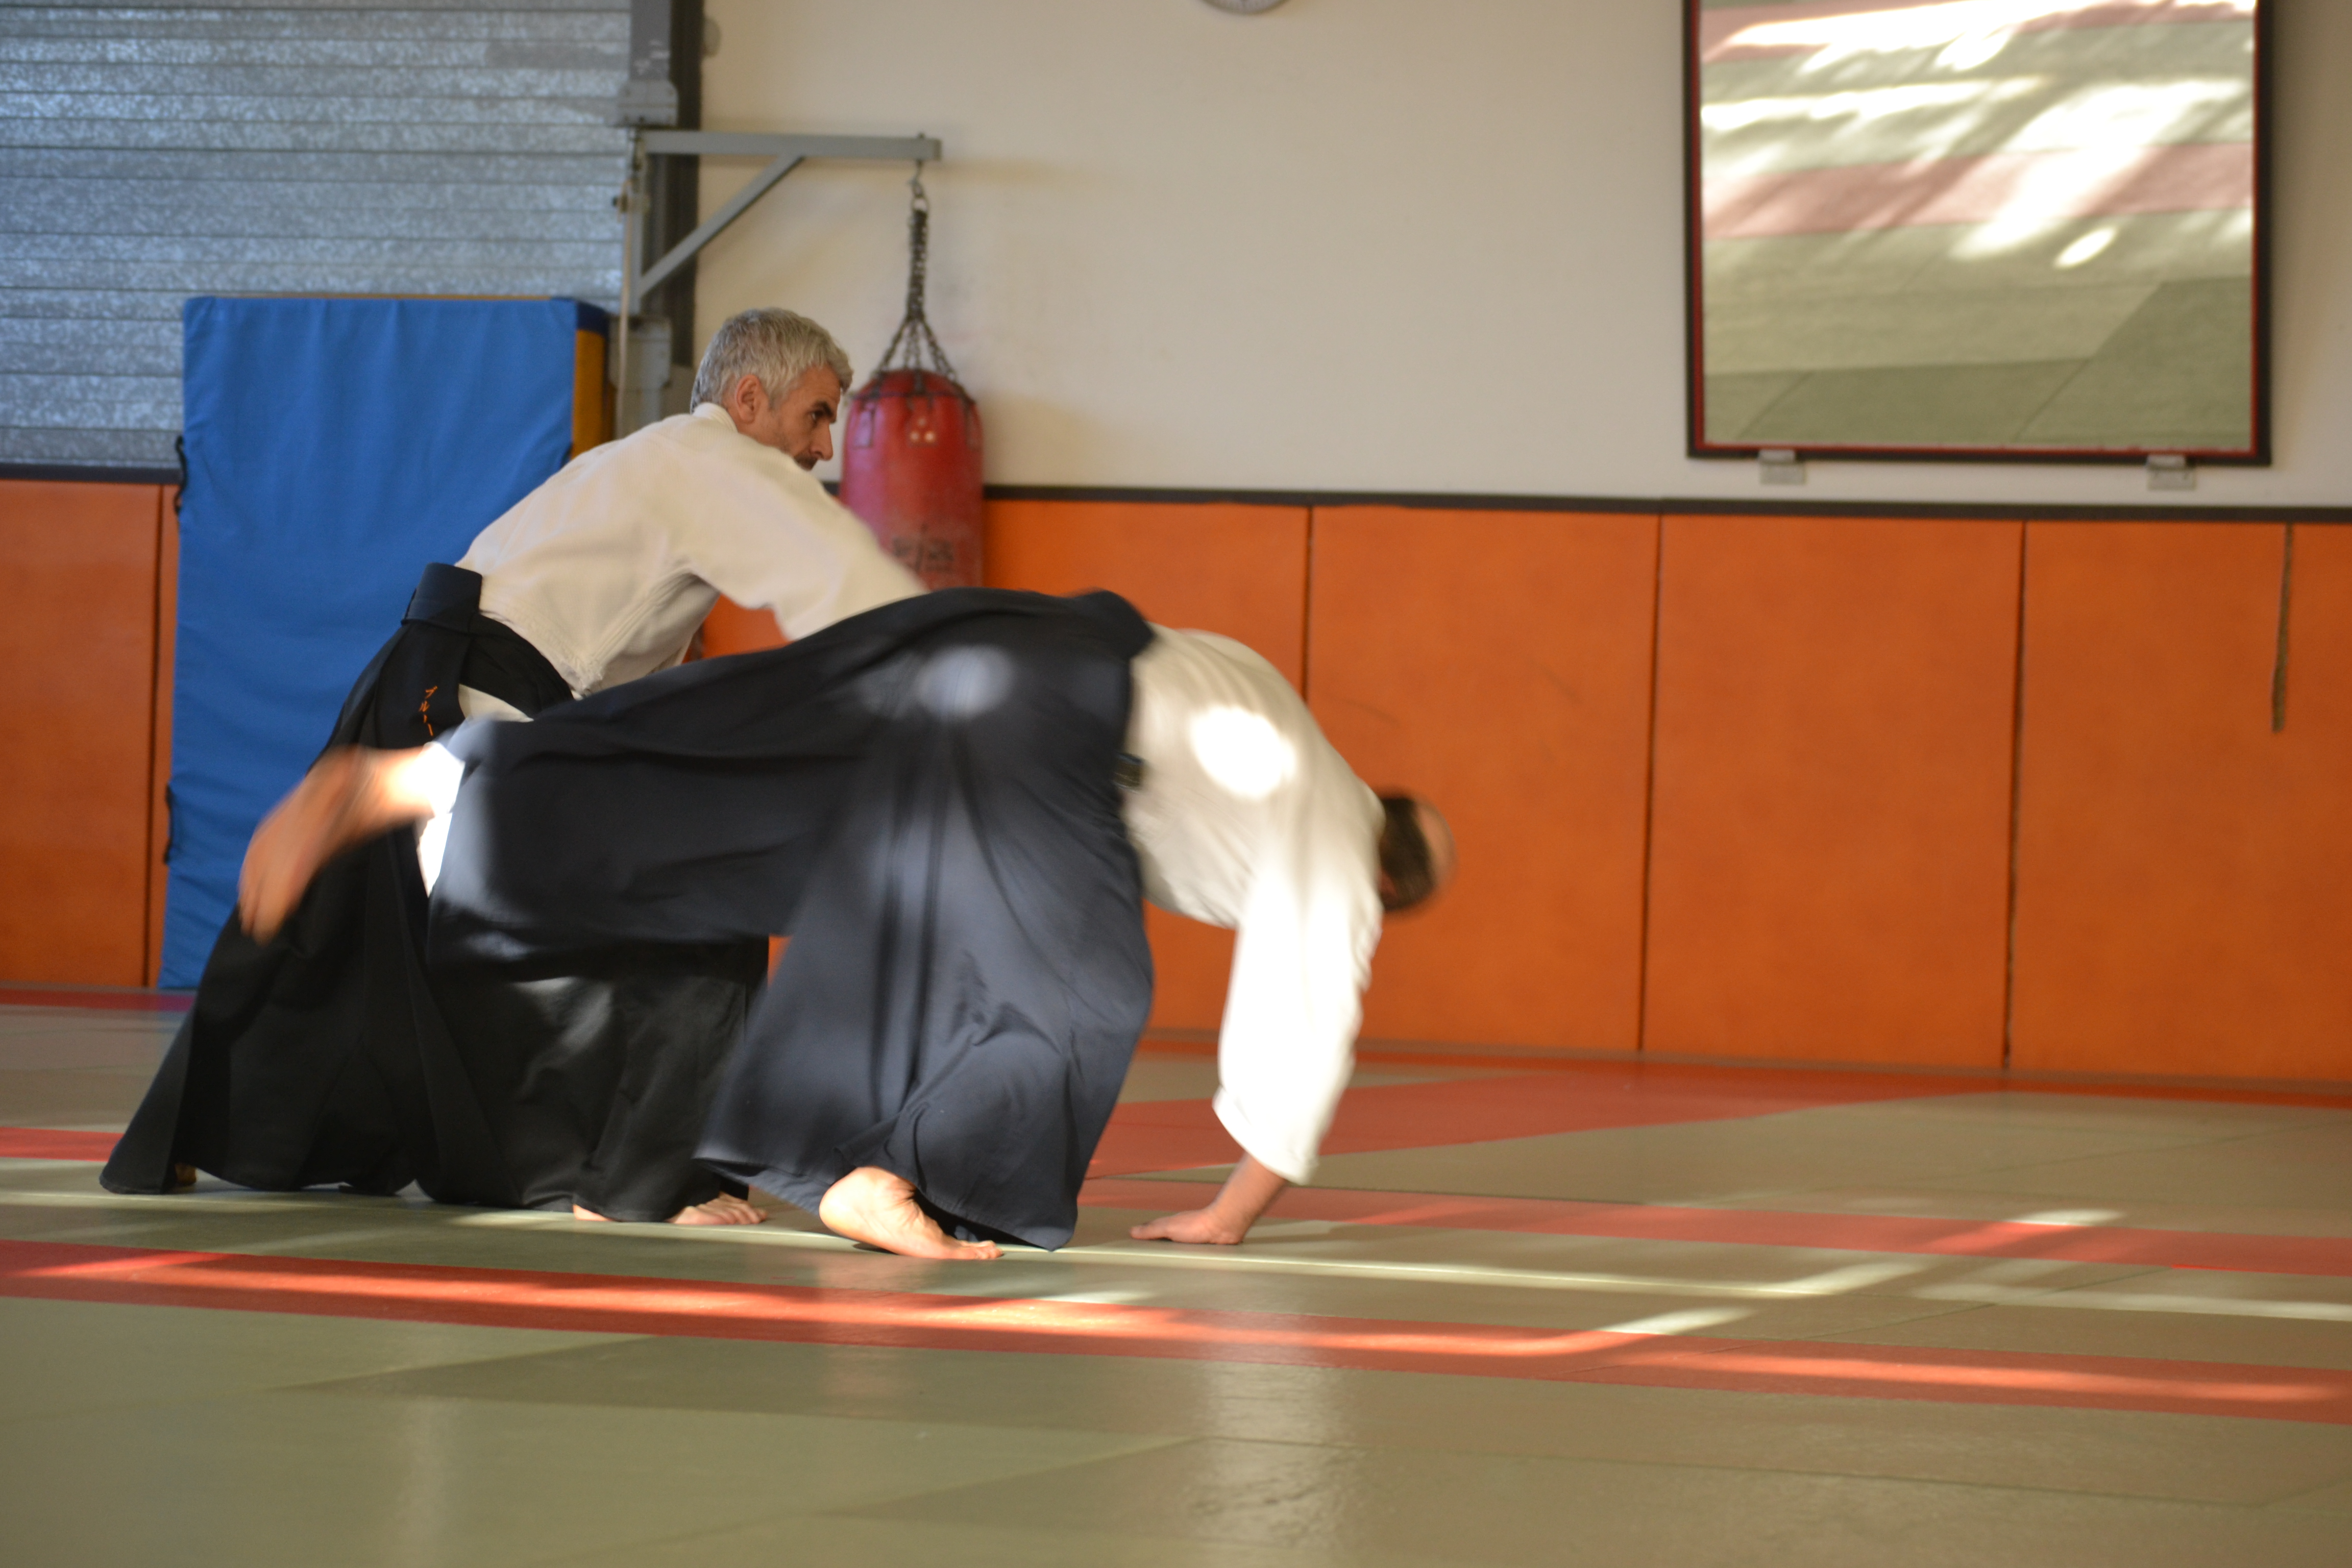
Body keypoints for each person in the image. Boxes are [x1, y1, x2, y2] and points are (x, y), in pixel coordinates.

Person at [235, 590, 1455, 1259]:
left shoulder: (1273, 702)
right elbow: (1309, 1020)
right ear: (1390, 878)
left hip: (994, 636)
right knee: (1082, 990)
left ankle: (434, 776)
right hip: (1054, 715)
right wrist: (1230, 1216)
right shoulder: (1337, 839)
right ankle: (875, 1174)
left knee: (749, 778)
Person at [101, 307, 923, 1227]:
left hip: (418, 675)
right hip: (487, 698)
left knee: (329, 936)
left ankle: (193, 1133)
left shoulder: (642, 459)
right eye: (817, 414)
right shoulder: (720, 465)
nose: (823, 446)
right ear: (750, 397)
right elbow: (839, 587)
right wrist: (942, 668)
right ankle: (638, 1177)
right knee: (699, 897)